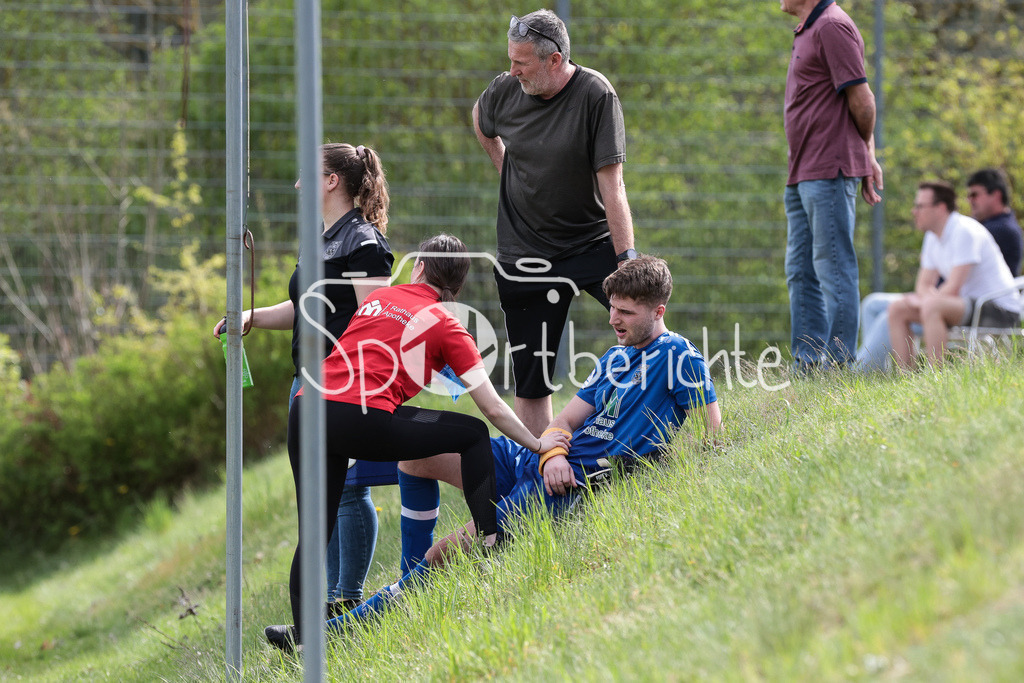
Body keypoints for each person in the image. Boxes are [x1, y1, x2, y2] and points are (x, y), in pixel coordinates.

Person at [324, 255, 722, 633]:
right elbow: (564, 421)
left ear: (658, 311)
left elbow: (712, 434)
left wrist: (665, 470)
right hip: (545, 461)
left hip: (569, 484)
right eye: (612, 308)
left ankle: (351, 626)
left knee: (445, 552)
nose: (613, 319)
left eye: (626, 312)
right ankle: (408, 579)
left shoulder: (679, 356)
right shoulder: (615, 357)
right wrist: (553, 454)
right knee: (416, 457)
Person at [265, 234, 570, 652]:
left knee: (314, 531)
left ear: (420, 267)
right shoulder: (447, 324)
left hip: (306, 408)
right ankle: (491, 538)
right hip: (361, 416)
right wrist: (538, 445)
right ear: (457, 286)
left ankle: (304, 640)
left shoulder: (379, 299)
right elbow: (493, 409)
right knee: (473, 434)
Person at [214, 143, 392, 616]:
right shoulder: (318, 237)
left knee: (348, 488)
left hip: (342, 384)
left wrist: (347, 379)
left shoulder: (363, 242)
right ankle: (324, 608)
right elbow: (304, 307)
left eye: (307, 174)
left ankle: (346, 602)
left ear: (332, 181)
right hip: (306, 382)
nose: (297, 184)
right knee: (317, 496)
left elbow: (376, 321)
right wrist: (250, 316)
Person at [473, 9, 637, 435]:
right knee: (531, 380)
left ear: (555, 59)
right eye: (510, 60)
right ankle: (541, 465)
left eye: (521, 62)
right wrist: (505, 168)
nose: (512, 70)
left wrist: (627, 261)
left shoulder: (596, 95)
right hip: (523, 252)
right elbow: (481, 119)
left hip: (590, 243)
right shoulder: (505, 90)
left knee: (644, 325)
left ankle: (673, 423)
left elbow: (613, 186)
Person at [780, 0, 883, 369]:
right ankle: (807, 364)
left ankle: (839, 366)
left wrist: (864, 155)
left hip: (829, 170)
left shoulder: (831, 26)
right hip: (802, 172)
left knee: (833, 269)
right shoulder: (810, 28)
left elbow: (863, 101)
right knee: (800, 271)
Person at [855, 169, 1024, 371]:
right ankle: (905, 377)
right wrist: (922, 298)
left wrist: (924, 300)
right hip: (968, 305)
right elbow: (923, 284)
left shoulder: (965, 231)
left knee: (932, 306)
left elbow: (953, 287)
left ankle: (936, 376)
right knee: (898, 308)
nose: (914, 211)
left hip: (998, 310)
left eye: (920, 206)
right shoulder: (932, 236)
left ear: (940, 208)